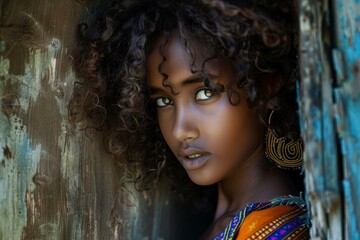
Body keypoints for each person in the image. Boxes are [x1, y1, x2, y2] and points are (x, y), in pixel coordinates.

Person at [69, 0, 310, 239]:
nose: (179, 130)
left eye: (205, 93)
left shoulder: (281, 232)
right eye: (164, 101)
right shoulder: (233, 221)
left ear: (267, 86)